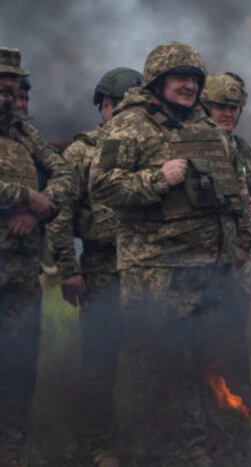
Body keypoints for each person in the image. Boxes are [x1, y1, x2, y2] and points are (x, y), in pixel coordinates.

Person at [89, 42, 251, 466]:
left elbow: (237, 193)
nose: (189, 85)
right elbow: (103, 187)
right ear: (158, 81)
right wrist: (156, 179)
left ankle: (199, 457)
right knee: (159, 384)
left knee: (204, 378)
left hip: (210, 279)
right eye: (180, 78)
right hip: (156, 279)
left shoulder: (210, 131)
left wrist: (241, 242)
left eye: (195, 79)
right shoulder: (131, 126)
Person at [47, 67, 142, 467]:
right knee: (101, 362)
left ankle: (147, 439)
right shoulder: (81, 152)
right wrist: (69, 269)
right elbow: (60, 214)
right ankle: (100, 446)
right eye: (122, 106)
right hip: (102, 269)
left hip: (146, 271)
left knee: (151, 360)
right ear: (105, 106)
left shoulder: (149, 146)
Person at [199, 72, 251, 462]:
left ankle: (234, 448)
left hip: (236, 281)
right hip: (196, 278)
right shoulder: (193, 145)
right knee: (194, 363)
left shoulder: (245, 152)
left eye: (233, 108)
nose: (228, 114)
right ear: (204, 106)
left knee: (234, 363)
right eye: (220, 107)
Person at [0, 46, 77, 466]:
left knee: (16, 372)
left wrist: (38, 205)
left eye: (12, 89)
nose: (8, 97)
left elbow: (65, 174)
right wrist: (18, 195)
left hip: (21, 278)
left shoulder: (25, 135)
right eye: (1, 88)